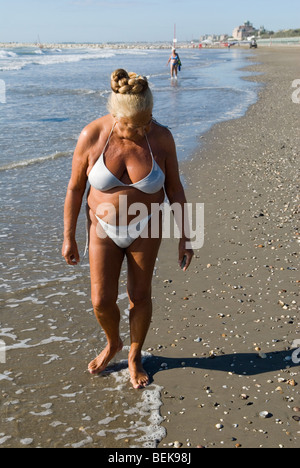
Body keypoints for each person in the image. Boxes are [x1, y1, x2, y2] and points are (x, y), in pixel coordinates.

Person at [62, 69, 194, 389]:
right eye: (135, 125)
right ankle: (113, 343)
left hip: (146, 227)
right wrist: (68, 237)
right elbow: (75, 189)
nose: (143, 129)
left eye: (148, 120)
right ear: (116, 115)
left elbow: (175, 189)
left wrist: (188, 237)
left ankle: (135, 355)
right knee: (101, 301)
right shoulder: (91, 136)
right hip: (101, 228)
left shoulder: (161, 137)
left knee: (140, 295)